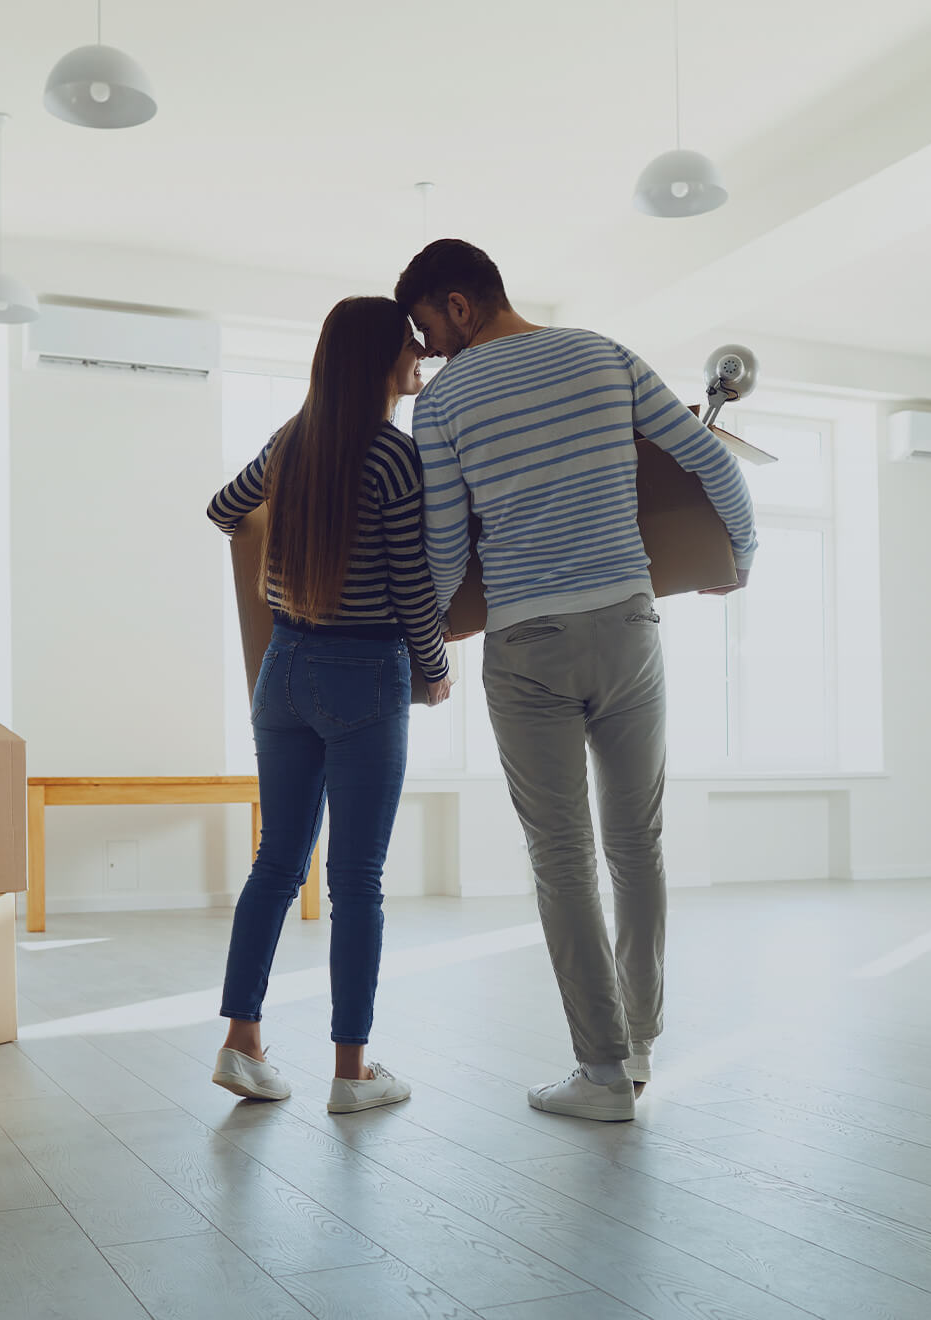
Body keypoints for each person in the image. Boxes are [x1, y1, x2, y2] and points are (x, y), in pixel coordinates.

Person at [395, 240, 756, 1122]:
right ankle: (635, 1047)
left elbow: (445, 546)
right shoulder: (606, 353)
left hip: (529, 644)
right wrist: (736, 557)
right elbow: (713, 461)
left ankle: (599, 1075)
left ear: (461, 303)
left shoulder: (442, 403)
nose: (429, 349)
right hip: (630, 628)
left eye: (429, 327)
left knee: (563, 862)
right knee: (639, 844)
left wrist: (426, 648)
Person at [207, 295, 451, 1112]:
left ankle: (242, 1045)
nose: (420, 354)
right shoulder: (392, 455)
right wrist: (435, 666)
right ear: (381, 359)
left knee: (277, 863)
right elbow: (414, 585)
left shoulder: (291, 443)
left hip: (283, 668)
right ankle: (352, 1075)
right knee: (356, 880)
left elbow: (223, 509)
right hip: (365, 674)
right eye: (410, 345)